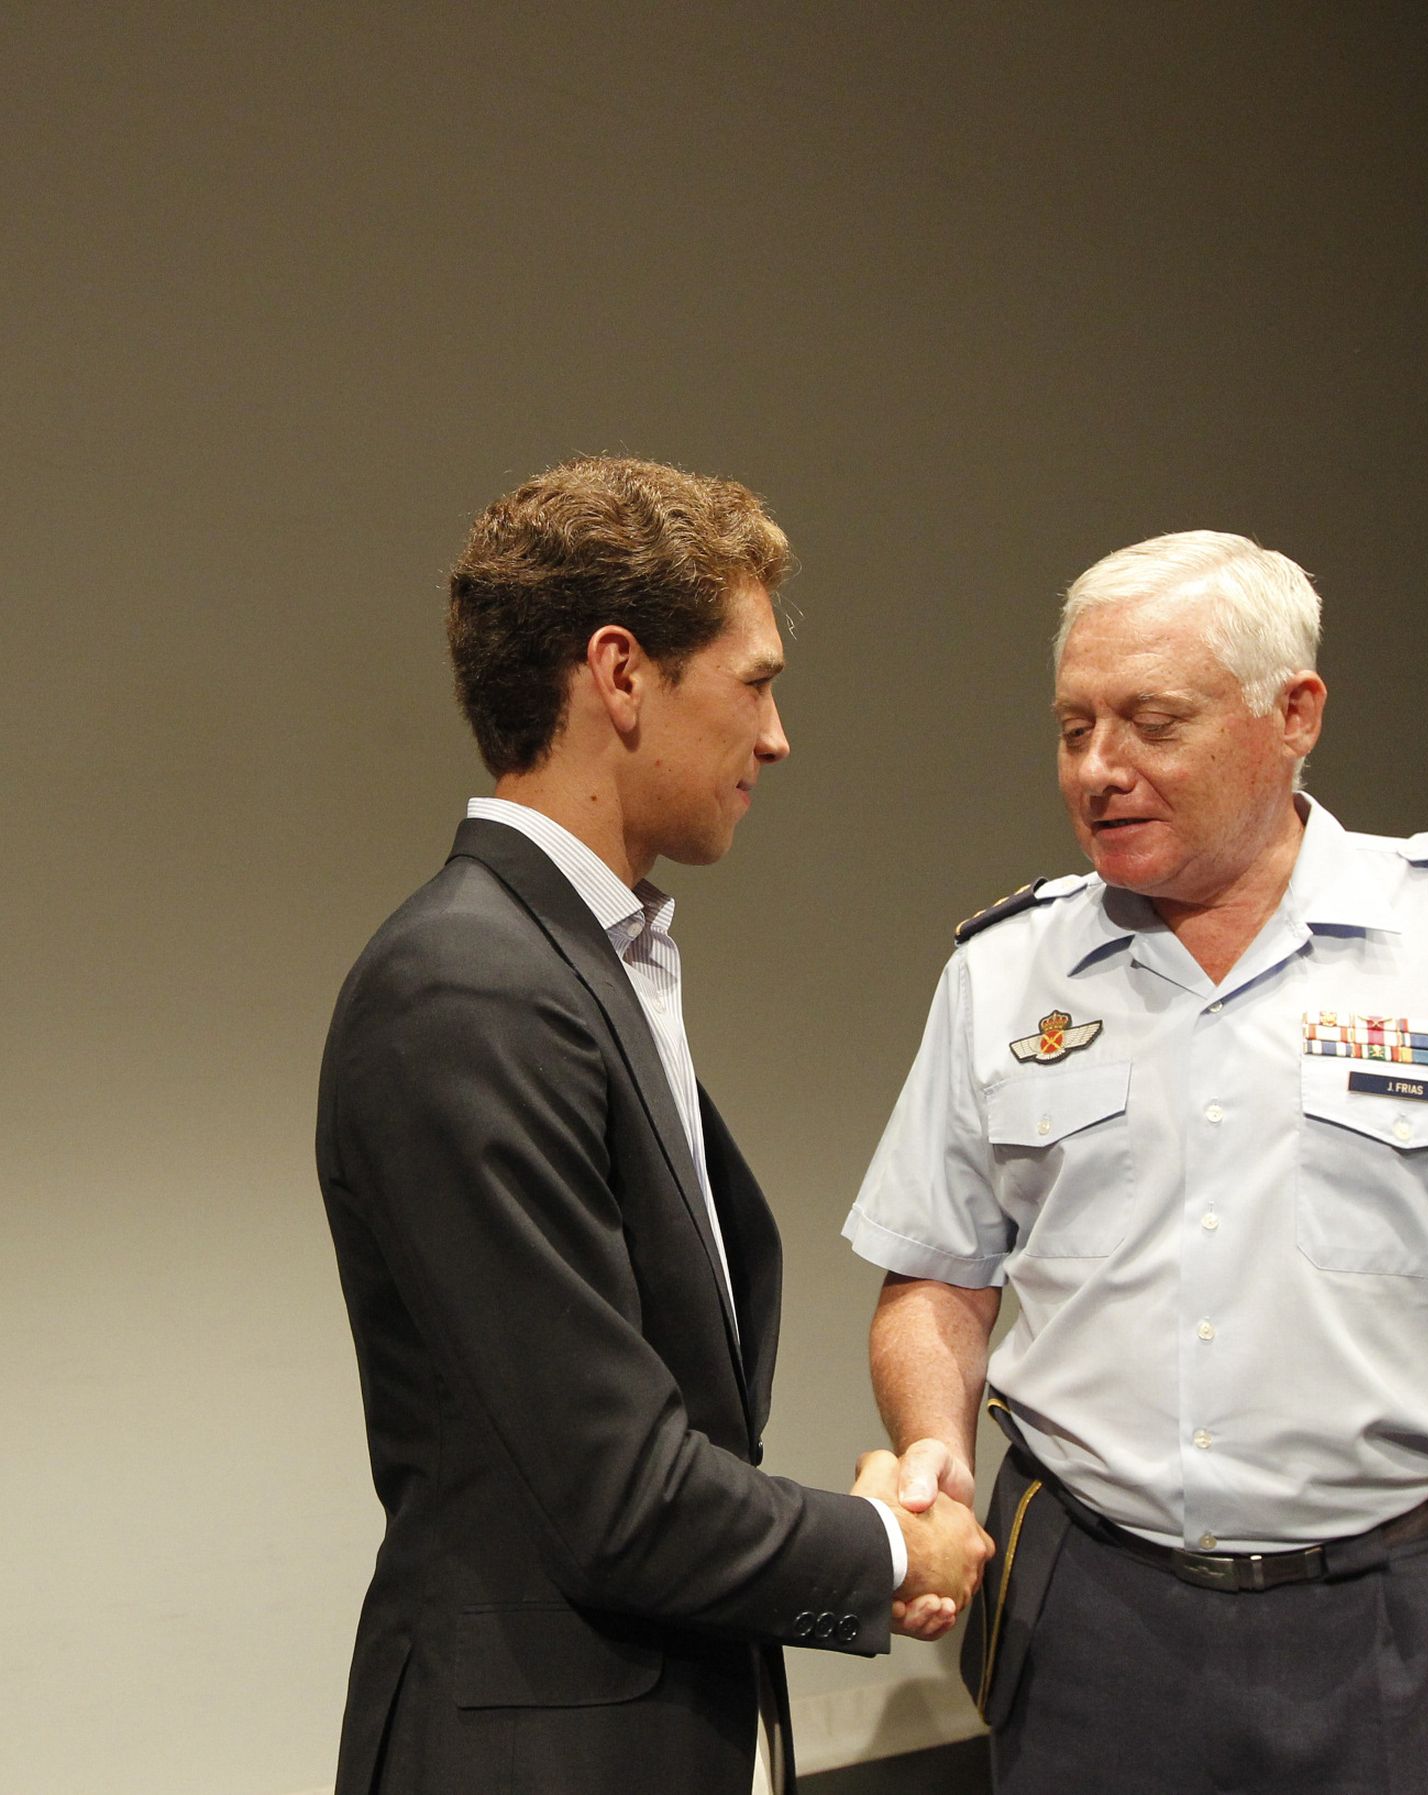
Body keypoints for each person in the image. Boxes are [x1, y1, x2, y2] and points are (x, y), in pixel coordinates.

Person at [844, 530, 1428, 1794]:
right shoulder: (1000, 971)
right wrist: (938, 1450)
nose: (1098, 769)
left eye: (1151, 721)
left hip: (1397, 1625)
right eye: (1073, 725)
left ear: (1292, 713)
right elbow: (936, 1281)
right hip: (1084, 1622)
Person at [316, 455, 990, 1795]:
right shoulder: (467, 985)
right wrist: (885, 1548)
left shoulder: (566, 961)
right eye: (755, 680)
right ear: (621, 674)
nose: (779, 733)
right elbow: (617, 1491)